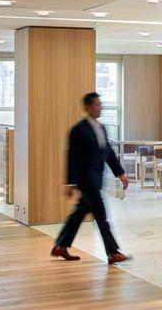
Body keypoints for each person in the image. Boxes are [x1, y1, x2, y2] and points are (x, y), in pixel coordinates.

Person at [54, 91, 130, 263]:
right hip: (86, 181)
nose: (100, 107)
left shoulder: (101, 128)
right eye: (96, 104)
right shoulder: (78, 129)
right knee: (101, 216)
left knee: (79, 213)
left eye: (100, 104)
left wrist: (120, 173)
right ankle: (113, 252)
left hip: (96, 180)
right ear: (88, 107)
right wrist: (69, 182)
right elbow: (72, 157)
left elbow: (108, 153)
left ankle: (61, 245)